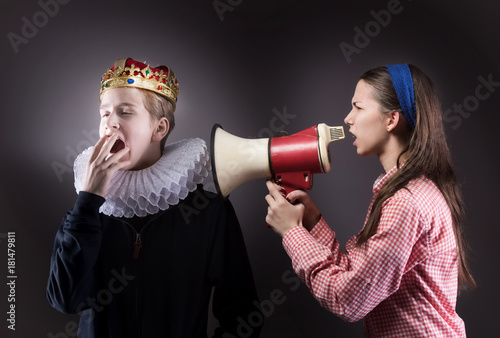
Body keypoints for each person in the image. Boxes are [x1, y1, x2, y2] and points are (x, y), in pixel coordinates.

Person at [47, 58, 261, 337]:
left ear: (158, 129)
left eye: (125, 112)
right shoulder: (87, 212)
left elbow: (243, 315)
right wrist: (88, 200)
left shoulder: (209, 211)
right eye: (105, 113)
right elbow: (65, 300)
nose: (110, 124)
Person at [264, 64, 475, 337]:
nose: (348, 119)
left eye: (358, 107)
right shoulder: (408, 191)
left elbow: (349, 300)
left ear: (391, 120)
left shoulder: (406, 202)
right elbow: (358, 275)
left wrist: (292, 233)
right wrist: (312, 221)